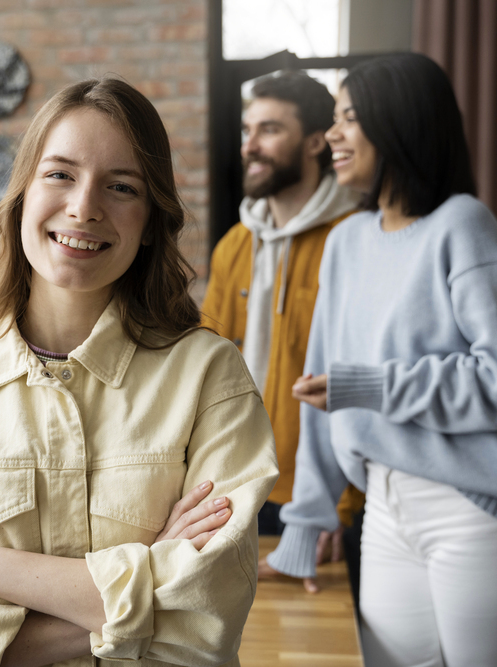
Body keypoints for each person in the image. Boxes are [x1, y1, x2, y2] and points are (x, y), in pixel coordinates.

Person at [0, 78, 279, 666]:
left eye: (121, 186)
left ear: (151, 219)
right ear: (22, 195)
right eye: (59, 174)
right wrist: (149, 586)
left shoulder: (211, 376)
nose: (84, 207)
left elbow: (208, 614)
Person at [263, 53, 497, 666]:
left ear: (399, 121)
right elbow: (319, 391)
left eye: (349, 117)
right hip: (386, 509)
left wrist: (369, 386)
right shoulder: (346, 242)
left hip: (478, 509)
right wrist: (307, 523)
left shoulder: (462, 227)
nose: (332, 135)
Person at [200, 71, 363, 573]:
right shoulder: (234, 245)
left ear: (316, 140)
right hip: (240, 490)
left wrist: (338, 507)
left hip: (332, 503)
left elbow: (361, 381)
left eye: (270, 129)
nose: (251, 145)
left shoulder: (355, 239)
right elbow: (204, 371)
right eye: (248, 130)